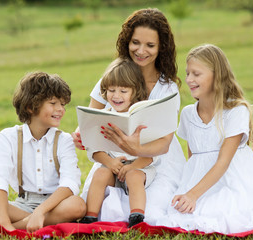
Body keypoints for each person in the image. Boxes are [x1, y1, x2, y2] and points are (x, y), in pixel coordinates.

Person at [156, 44, 253, 234]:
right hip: (201, 180)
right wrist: (189, 190)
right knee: (178, 211)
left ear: (216, 76)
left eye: (196, 74)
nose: (189, 79)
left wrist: (193, 194)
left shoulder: (236, 111)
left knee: (220, 212)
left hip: (231, 181)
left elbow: (223, 162)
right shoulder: (188, 114)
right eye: (188, 73)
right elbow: (194, 158)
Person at [75, 8, 186, 225]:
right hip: (113, 158)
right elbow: (90, 119)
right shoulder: (112, 78)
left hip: (155, 160)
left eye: (150, 45)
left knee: (153, 216)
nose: (141, 50)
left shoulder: (167, 88)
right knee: (97, 210)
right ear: (127, 41)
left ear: (161, 47)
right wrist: (80, 134)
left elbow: (164, 144)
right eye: (135, 42)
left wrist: (136, 151)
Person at [0, 72, 86, 233]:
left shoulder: (64, 140)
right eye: (53, 103)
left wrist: (40, 211)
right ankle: (16, 224)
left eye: (62, 104)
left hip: (54, 205)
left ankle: (3, 228)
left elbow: (70, 184)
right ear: (30, 106)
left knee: (77, 205)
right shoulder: (8, 137)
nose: (60, 109)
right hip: (21, 204)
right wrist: (5, 219)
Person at [80, 58, 158, 227]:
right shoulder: (103, 116)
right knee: (100, 174)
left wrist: (132, 166)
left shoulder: (141, 118)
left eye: (123, 91)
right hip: (111, 167)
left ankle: (136, 215)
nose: (116, 96)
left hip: (139, 166)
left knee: (134, 176)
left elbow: (151, 154)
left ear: (135, 91)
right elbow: (92, 147)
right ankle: (90, 216)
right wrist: (109, 162)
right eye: (111, 90)